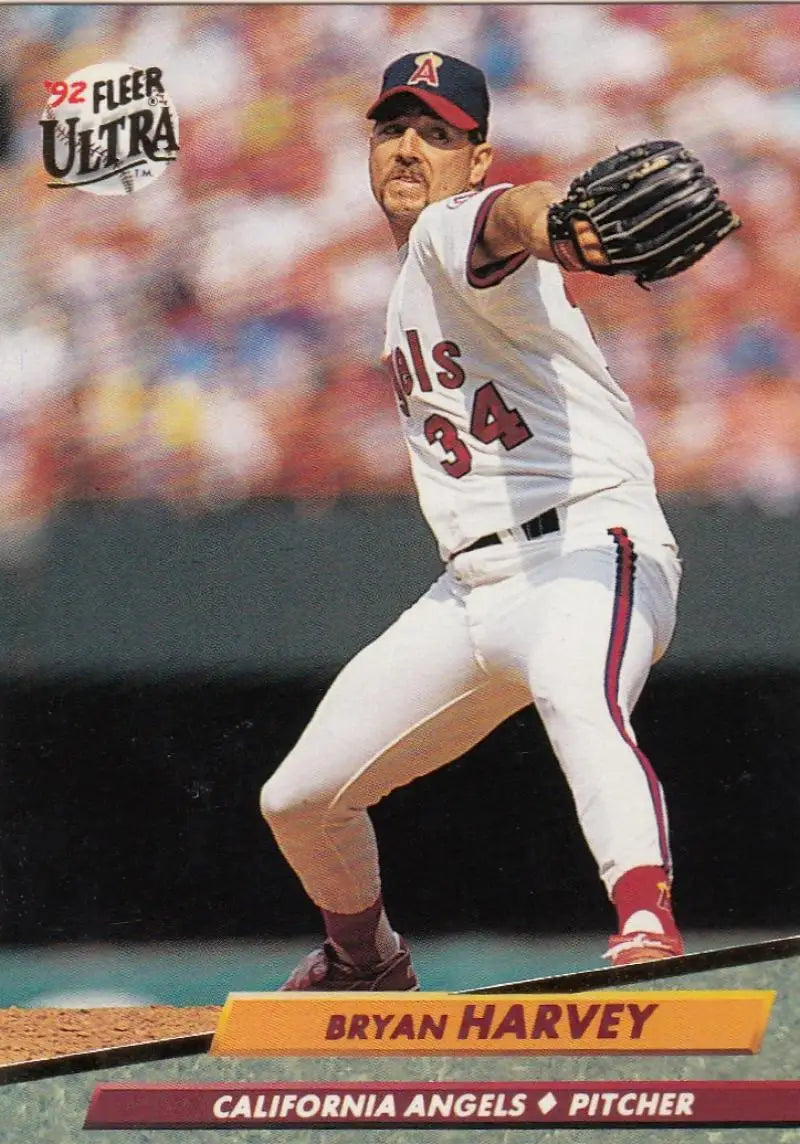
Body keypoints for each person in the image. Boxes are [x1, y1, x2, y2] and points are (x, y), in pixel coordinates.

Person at [260, 51, 689, 990]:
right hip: (472, 588)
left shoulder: (454, 227)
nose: (409, 147)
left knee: (580, 693)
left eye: (438, 133)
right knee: (299, 800)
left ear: (476, 156)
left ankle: (647, 920)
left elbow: (516, 215)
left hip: (589, 544)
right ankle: (365, 961)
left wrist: (562, 223)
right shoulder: (408, 281)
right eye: (392, 128)